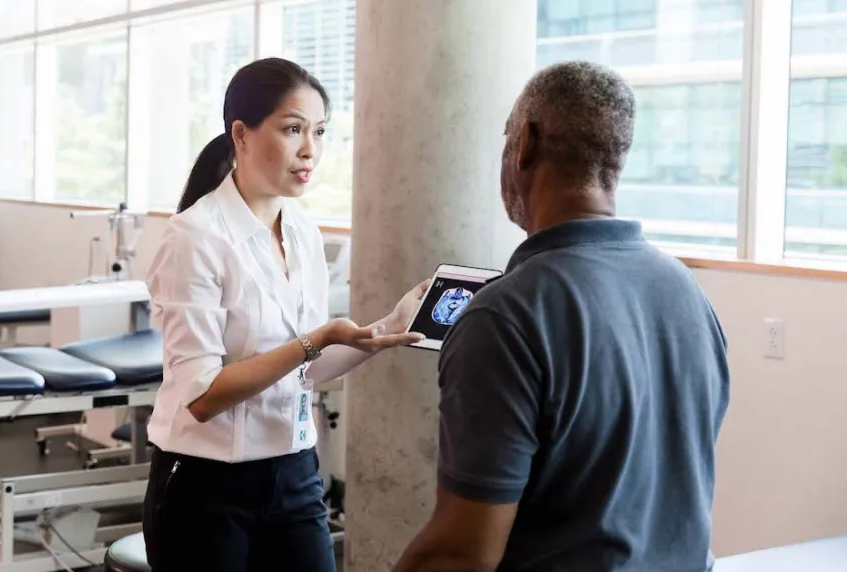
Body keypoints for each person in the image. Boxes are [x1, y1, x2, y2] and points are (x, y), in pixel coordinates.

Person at [393, 60, 731, 572]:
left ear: (525, 142)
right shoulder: (685, 290)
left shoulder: (504, 317)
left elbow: (461, 553)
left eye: (507, 137)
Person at [141, 57, 429, 572]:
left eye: (319, 132)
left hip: (294, 473)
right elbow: (203, 398)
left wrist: (383, 329)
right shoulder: (195, 237)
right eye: (292, 129)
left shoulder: (304, 234)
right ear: (242, 134)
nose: (309, 150)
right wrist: (315, 341)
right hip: (206, 487)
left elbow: (307, 369)